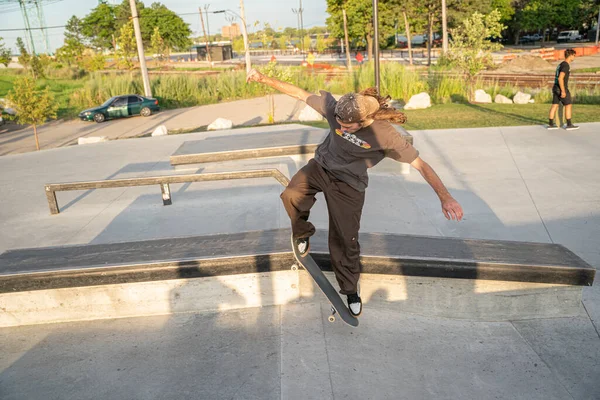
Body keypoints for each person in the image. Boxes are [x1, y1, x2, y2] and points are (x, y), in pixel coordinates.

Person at [246, 69, 464, 317]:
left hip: (349, 184)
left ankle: (350, 290)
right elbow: (299, 93)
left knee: (345, 239)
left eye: (348, 126)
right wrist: (264, 79)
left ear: (365, 120)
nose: (342, 128)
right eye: (339, 124)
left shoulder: (386, 136)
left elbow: (421, 165)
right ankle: (302, 232)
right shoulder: (335, 108)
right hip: (321, 167)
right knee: (292, 195)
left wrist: (445, 197)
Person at [548, 49, 578, 131]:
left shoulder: (560, 64)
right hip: (561, 88)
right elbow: (561, 78)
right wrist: (563, 91)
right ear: (570, 55)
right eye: (574, 55)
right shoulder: (566, 65)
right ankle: (569, 124)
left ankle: (551, 124)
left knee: (555, 105)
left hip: (555, 87)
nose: (574, 57)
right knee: (568, 105)